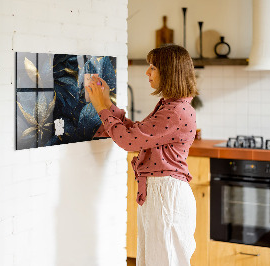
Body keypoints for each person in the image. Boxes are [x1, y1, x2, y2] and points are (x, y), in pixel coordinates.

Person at [86, 44, 198, 266]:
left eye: (153, 67)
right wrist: (107, 103)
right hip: (161, 193)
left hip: (166, 195)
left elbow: (128, 141)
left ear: (169, 72)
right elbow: (136, 133)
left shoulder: (175, 111)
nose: (147, 72)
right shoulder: (171, 106)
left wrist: (101, 107)